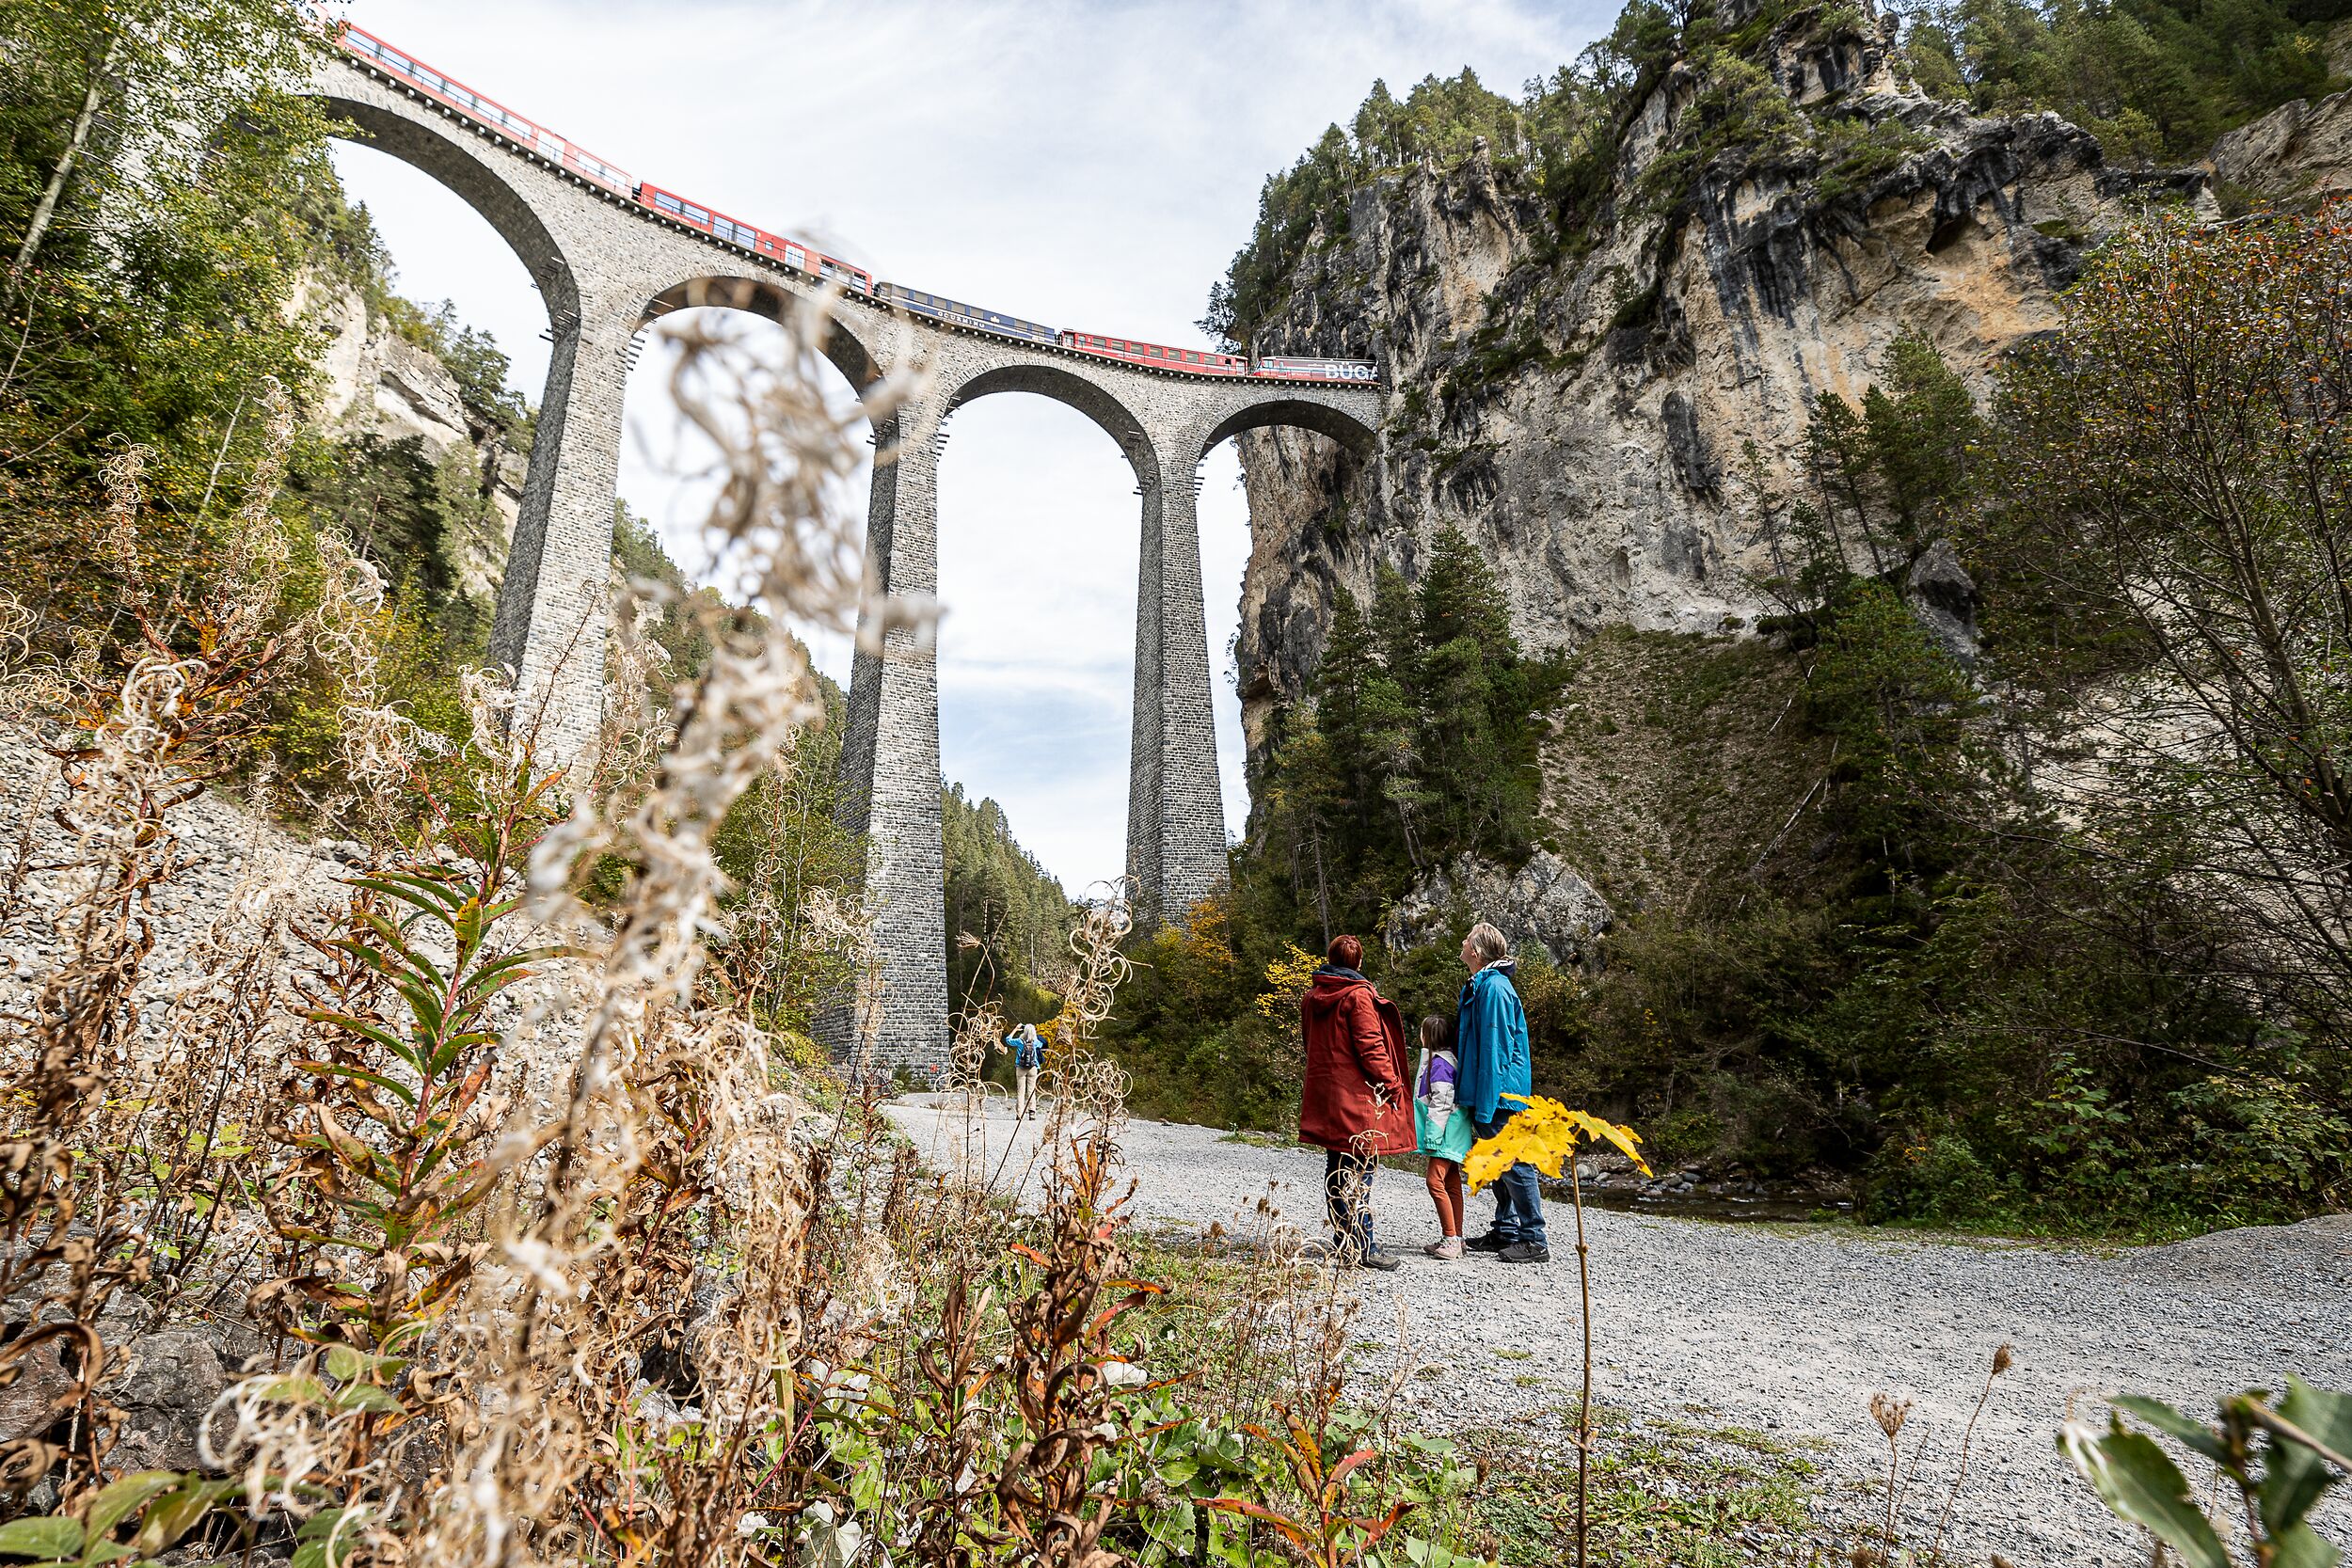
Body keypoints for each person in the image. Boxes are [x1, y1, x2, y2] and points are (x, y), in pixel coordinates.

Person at [1297, 934, 1414, 1271]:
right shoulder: (1358, 995)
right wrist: (1392, 1083)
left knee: (1336, 1167)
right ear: (1359, 963)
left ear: (1330, 960)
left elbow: (1311, 1043)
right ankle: (1363, 1246)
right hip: (1358, 1097)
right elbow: (1371, 1047)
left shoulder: (1313, 996)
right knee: (1360, 1170)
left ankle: (1344, 1241)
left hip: (1328, 1093)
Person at [1455, 922, 1548, 1263]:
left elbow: (1495, 1050)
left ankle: (1534, 1238)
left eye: (1467, 939)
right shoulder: (1486, 984)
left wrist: (1485, 1102)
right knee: (1498, 1164)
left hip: (1501, 1093)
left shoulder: (1494, 989)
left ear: (1476, 953)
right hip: (1495, 1091)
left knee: (1513, 1161)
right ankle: (1507, 1230)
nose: (1463, 943)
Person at [1413, 1013, 1474, 1259]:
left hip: (1445, 1133)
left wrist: (1432, 1136)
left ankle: (1451, 1239)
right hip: (1454, 1132)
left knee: (1434, 1182)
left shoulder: (1440, 1064)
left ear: (1427, 1037)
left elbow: (1441, 1102)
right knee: (1451, 1183)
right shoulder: (1449, 1060)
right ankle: (1456, 1238)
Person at [1006, 1021, 1043, 1118]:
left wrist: (1016, 1029)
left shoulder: (1019, 1041)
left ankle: (1020, 1114)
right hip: (1033, 1067)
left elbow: (1008, 1040)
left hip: (1020, 1068)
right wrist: (1032, 1033)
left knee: (1020, 1091)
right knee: (1031, 1090)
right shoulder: (1036, 1043)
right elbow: (1042, 1043)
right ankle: (1032, 1113)